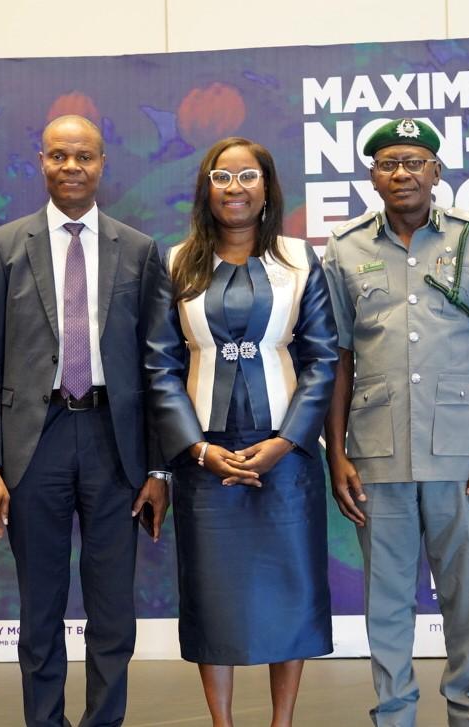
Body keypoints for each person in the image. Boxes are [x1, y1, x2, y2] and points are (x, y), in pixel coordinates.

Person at [0, 115, 171, 727]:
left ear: (103, 162)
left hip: (116, 445)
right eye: (59, 156)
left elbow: (158, 366)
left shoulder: (137, 249)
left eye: (83, 156)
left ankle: (104, 720)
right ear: (42, 161)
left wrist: (159, 467)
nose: (72, 167)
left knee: (112, 611)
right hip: (36, 445)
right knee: (41, 609)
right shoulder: (2, 247)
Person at [321, 118, 469, 727]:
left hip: (461, 454)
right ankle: (394, 715)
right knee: (384, 605)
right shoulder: (346, 248)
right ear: (371, 176)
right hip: (376, 455)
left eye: (413, 162)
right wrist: (336, 452)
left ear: (436, 171)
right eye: (387, 163)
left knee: (467, 603)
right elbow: (339, 359)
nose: (400, 173)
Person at [144, 137, 337, 727]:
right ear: (206, 188)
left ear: (267, 187)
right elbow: (159, 364)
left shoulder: (302, 261)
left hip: (287, 454)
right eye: (222, 177)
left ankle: (282, 721)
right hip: (205, 460)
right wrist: (198, 451)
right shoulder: (174, 263)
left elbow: (323, 358)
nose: (235, 188)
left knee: (291, 590)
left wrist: (285, 443)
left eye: (247, 176)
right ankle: (222, 723)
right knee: (214, 597)